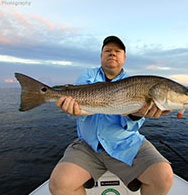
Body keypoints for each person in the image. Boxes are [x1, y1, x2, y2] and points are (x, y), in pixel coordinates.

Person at [49, 36, 173, 195]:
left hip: (125, 143)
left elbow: (131, 126)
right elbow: (75, 113)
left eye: (117, 51)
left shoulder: (134, 82)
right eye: (108, 51)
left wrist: (135, 116)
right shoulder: (88, 75)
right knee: (60, 184)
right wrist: (72, 111)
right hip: (88, 145)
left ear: (124, 57)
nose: (112, 54)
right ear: (101, 56)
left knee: (163, 177)